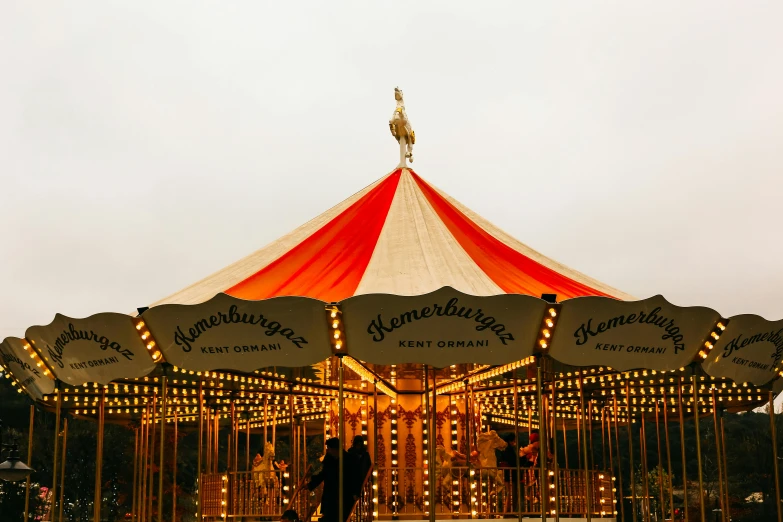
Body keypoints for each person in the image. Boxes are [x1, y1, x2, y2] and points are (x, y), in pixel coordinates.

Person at [307, 437, 361, 522]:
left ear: (335, 449)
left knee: (341, 515)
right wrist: (311, 485)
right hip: (331, 494)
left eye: (329, 448)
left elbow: (354, 477)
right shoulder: (329, 459)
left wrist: (355, 492)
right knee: (330, 515)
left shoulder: (349, 459)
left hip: (344, 493)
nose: (328, 451)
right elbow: (323, 474)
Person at [497, 433, 519, 514]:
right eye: (513, 441)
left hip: (509, 473)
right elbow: (512, 461)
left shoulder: (506, 449)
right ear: (511, 441)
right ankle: (508, 511)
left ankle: (509, 511)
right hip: (510, 473)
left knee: (511, 493)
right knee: (511, 493)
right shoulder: (508, 450)